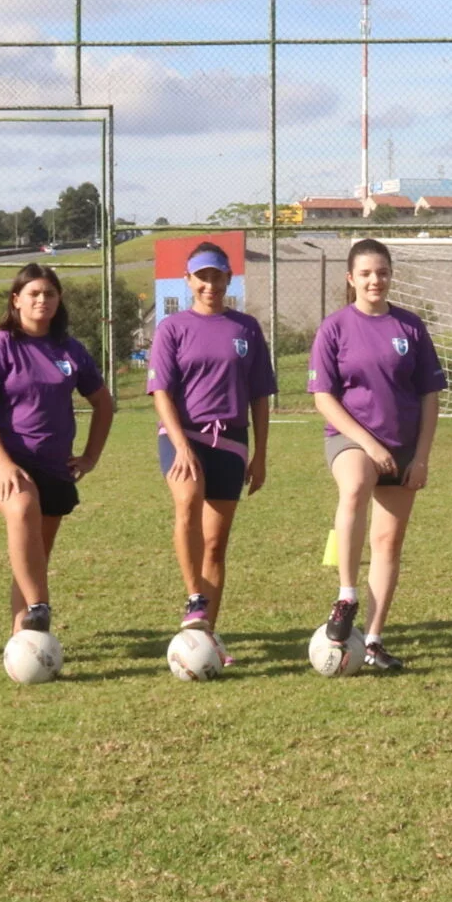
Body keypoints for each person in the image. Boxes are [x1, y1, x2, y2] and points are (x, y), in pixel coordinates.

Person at [308, 238, 446, 672]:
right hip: (352, 439)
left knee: (388, 542)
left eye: (382, 272)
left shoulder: (410, 327)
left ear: (390, 276)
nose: (375, 280)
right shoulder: (334, 327)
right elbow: (323, 397)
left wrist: (420, 456)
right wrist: (368, 443)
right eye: (366, 273)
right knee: (355, 486)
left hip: (403, 446)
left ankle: (372, 639)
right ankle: (346, 595)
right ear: (351, 279)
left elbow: (429, 395)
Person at [0, 263, 116, 640]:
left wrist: (90, 457)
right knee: (21, 506)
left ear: (58, 300)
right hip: (6, 466)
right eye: (33, 293)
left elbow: (104, 404)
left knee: (33, 561)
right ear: (16, 300)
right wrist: (2, 466)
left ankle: (26, 642)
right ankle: (40, 607)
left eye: (49, 293)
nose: (42, 300)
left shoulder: (71, 350)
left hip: (55, 467)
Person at [147, 242, 273, 661]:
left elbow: (259, 396)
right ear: (189, 281)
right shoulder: (172, 328)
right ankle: (194, 599)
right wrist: (180, 444)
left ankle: (207, 638)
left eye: (217, 276)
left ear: (228, 279)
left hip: (232, 441)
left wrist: (260, 454)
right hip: (183, 435)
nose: (209, 284)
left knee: (216, 544)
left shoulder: (247, 328)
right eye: (201, 277)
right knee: (187, 504)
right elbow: (160, 391)